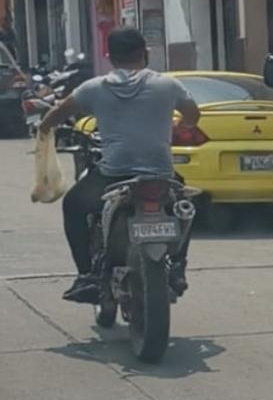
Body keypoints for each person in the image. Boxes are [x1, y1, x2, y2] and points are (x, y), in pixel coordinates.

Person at [39, 27, 200, 303]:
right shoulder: (168, 85)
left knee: (73, 205)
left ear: (110, 57)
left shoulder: (94, 88)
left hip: (113, 175)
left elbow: (58, 113)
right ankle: (178, 267)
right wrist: (179, 125)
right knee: (184, 205)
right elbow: (193, 115)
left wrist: (44, 130)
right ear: (144, 54)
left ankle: (87, 275)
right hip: (160, 173)